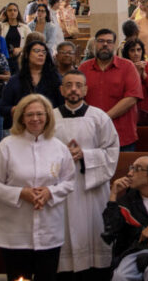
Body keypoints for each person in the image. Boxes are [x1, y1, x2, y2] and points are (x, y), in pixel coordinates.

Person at [0, 94, 77, 281]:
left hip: (49, 227)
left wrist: (50, 192)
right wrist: (21, 193)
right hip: (15, 230)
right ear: (21, 117)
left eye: (39, 114)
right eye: (29, 115)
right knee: (19, 277)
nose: (35, 119)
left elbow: (69, 181)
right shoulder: (7, 146)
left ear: (48, 117)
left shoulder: (58, 148)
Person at [53, 70, 120, 281]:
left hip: (91, 188)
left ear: (85, 89)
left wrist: (85, 155)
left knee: (94, 235)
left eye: (78, 85)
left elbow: (111, 150)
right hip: (61, 188)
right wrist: (62, 156)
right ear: (61, 89)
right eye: (69, 85)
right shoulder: (50, 118)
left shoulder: (99, 117)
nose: (74, 89)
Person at [79, 29, 144, 152]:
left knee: (123, 170)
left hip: (122, 134)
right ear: (95, 44)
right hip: (91, 133)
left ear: (114, 45)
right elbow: (78, 97)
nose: (105, 45)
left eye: (109, 42)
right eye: (101, 41)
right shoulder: (84, 68)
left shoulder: (127, 66)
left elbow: (132, 97)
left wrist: (104, 117)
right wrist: (95, 118)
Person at [0, 39, 63, 130]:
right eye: (36, 51)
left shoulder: (56, 79)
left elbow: (61, 105)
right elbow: (3, 109)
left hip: (48, 128)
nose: (41, 54)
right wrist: (15, 109)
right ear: (26, 55)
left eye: (44, 52)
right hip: (21, 129)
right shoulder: (15, 80)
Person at [122, 39, 148, 127]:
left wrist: (144, 75)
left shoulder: (146, 66)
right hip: (128, 114)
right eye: (132, 50)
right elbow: (127, 91)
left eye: (139, 50)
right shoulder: (123, 68)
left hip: (145, 114)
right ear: (127, 53)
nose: (136, 53)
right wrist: (136, 72)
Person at [0, 3, 32, 73]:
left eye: (15, 10)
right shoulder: (2, 26)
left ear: (18, 12)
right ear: (6, 12)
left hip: (19, 58)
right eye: (10, 10)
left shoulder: (24, 27)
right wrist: (0, 18)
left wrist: (20, 49)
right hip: (5, 58)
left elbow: (31, 43)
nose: (12, 12)